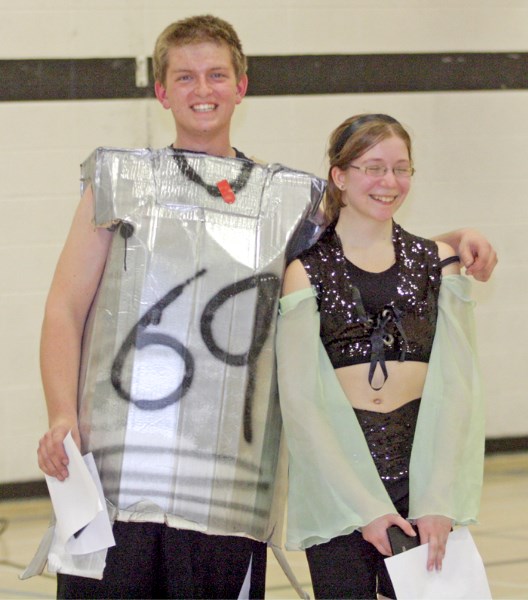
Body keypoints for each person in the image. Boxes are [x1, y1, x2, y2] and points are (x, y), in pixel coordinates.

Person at [35, 13, 494, 599]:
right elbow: (63, 309)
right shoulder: (117, 179)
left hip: (229, 492)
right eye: (186, 77)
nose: (203, 90)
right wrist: (59, 415)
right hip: (118, 475)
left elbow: (369, 241)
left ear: (241, 86)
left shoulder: (290, 199)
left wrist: (453, 244)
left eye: (217, 75)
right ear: (161, 91)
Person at [276, 113, 486, 599]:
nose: (388, 182)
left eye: (401, 168)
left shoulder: (439, 263)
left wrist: (438, 497)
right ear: (340, 176)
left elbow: (458, 385)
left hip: (421, 474)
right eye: (373, 167)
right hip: (338, 479)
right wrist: (363, 505)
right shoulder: (305, 272)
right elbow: (302, 401)